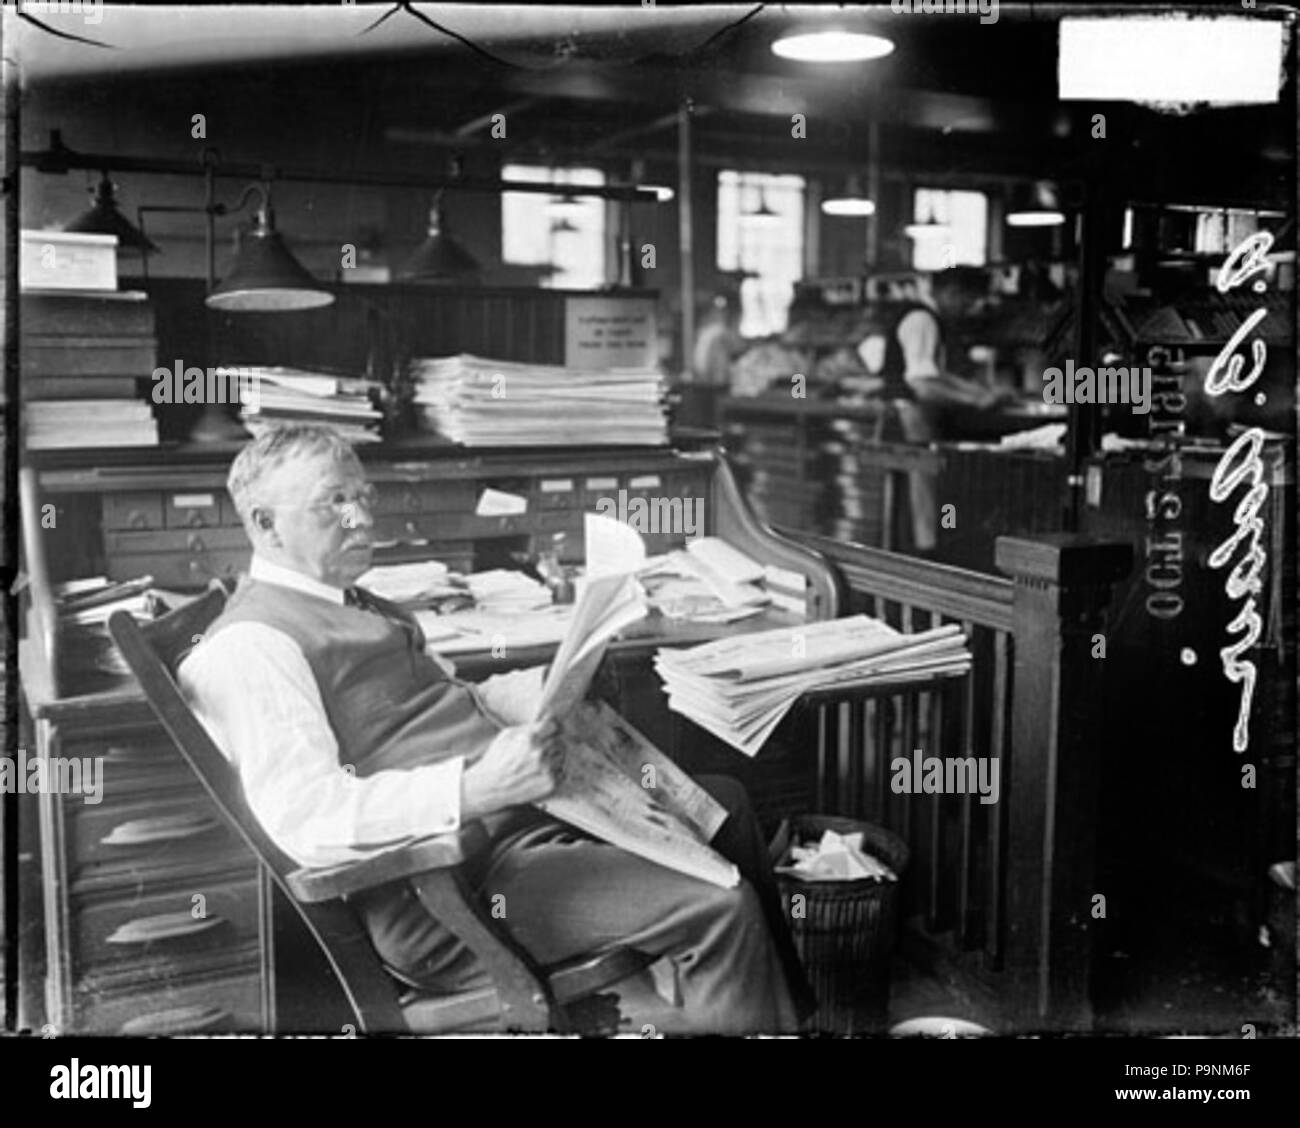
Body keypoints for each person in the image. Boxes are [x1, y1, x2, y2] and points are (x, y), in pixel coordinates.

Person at [178, 424, 811, 1034]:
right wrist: (476, 790)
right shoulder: (252, 647)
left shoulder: (350, 600)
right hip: (448, 890)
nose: (361, 518)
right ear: (265, 525)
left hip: (519, 825)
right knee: (720, 909)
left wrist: (539, 688)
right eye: (334, 503)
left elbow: (439, 703)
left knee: (726, 806)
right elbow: (307, 819)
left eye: (363, 496)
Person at [859, 267, 1006, 553]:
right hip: (908, 425)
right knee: (923, 516)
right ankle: (923, 564)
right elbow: (922, 385)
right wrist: (975, 400)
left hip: (913, 424)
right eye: (968, 301)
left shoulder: (925, 318)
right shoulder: (922, 319)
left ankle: (921, 559)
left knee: (924, 509)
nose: (968, 309)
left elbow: (935, 375)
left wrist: (978, 393)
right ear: (951, 293)